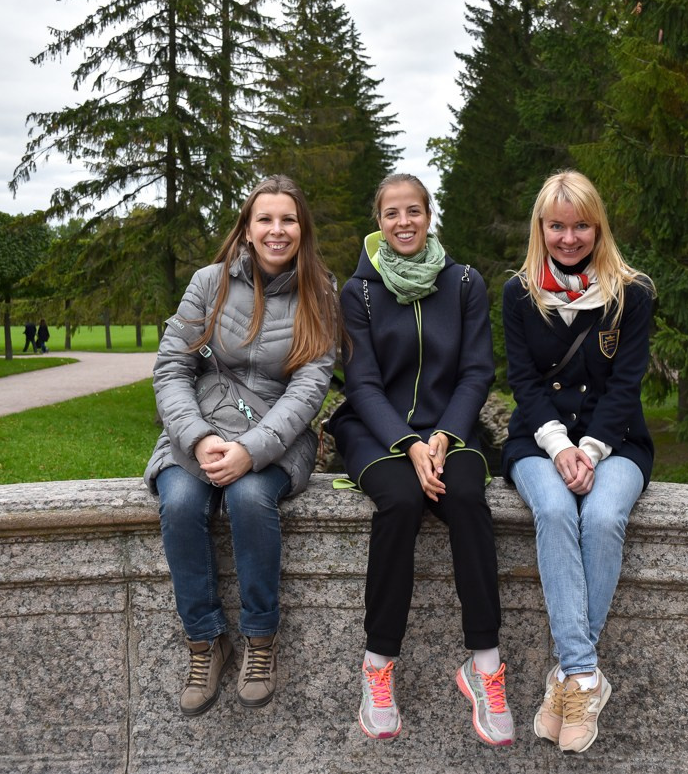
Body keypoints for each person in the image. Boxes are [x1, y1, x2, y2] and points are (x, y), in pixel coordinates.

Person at [327, 173, 514, 746]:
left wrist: (444, 435)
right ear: (378, 222)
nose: (403, 222)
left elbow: (477, 370)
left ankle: (485, 665)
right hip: (375, 431)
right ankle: (377, 664)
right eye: (391, 213)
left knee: (463, 494)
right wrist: (407, 444)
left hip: (449, 428)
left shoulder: (463, 284)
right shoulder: (357, 293)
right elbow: (359, 383)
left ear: (429, 216)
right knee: (404, 499)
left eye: (414, 211)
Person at [142, 175, 339, 716]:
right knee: (180, 503)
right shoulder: (209, 283)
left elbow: (309, 389)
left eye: (288, 220)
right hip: (200, 426)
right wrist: (198, 436)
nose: (277, 231)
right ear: (247, 230)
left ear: (303, 229)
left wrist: (252, 450)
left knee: (251, 498)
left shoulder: (320, 292)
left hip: (277, 434)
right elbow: (171, 368)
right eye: (266, 220)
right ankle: (205, 641)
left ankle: (259, 640)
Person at [501, 170, 655, 754]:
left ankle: (569, 676)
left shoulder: (630, 292)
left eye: (581, 226)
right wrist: (560, 448)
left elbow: (626, 386)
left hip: (616, 440)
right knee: (556, 509)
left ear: (599, 226)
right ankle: (586, 677)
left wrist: (589, 449)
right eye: (557, 226)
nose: (569, 238)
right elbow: (522, 381)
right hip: (537, 440)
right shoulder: (518, 292)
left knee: (604, 517)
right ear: (541, 227)